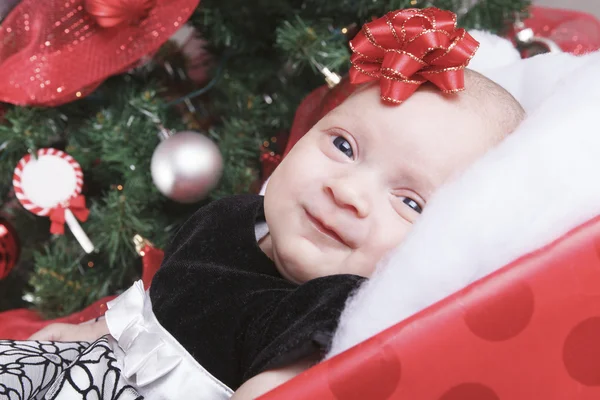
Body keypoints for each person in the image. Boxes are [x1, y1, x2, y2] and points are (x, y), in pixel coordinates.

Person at [1, 9, 526, 400]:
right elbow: (151, 310)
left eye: (410, 200)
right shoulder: (229, 219)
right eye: (343, 146)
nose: (348, 192)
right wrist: (83, 335)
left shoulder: (330, 312)